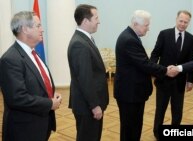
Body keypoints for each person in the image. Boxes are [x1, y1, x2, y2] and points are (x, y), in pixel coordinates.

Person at [0, 11, 62, 141]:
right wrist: (49, 103)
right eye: (38, 25)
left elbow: (39, 83)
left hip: (41, 126)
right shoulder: (10, 59)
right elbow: (17, 98)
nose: (42, 29)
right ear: (25, 29)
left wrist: (52, 95)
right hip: (24, 131)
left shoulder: (33, 53)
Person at [114, 10, 171, 141]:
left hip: (133, 93)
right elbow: (144, 64)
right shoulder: (129, 39)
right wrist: (166, 70)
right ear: (135, 24)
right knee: (130, 130)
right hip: (130, 94)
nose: (148, 28)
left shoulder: (131, 36)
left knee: (134, 127)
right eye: (146, 25)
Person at [150, 10, 193, 139]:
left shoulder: (191, 39)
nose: (182, 24)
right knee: (160, 109)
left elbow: (192, 61)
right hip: (163, 80)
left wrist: (190, 80)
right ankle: (157, 133)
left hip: (180, 82)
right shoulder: (164, 34)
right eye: (181, 21)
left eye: (185, 22)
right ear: (176, 19)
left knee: (177, 111)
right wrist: (155, 71)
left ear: (188, 23)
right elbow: (155, 54)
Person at [67, 4, 109, 141]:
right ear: (85, 21)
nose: (99, 21)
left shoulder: (85, 39)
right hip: (87, 107)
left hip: (89, 105)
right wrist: (95, 105)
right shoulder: (79, 44)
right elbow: (85, 78)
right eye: (96, 18)